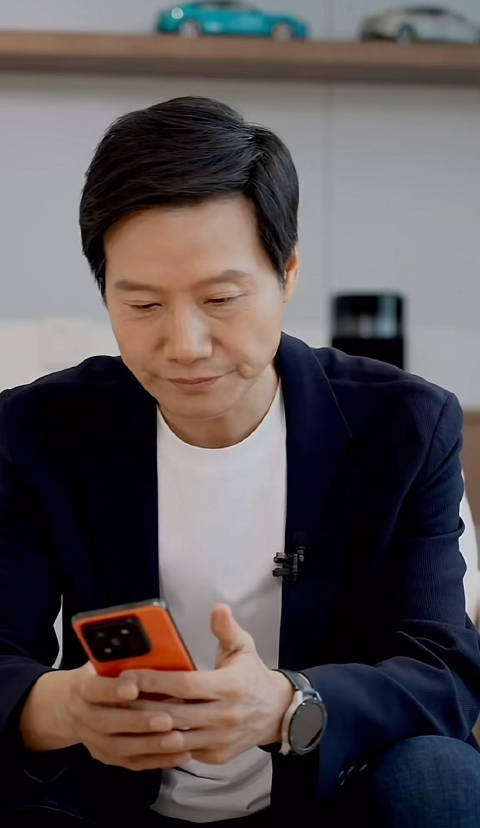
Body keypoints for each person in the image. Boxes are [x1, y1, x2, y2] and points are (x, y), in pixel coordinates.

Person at [1, 96, 479, 828]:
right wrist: (61, 707)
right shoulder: (39, 429)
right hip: (108, 801)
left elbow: (444, 668)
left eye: (221, 298)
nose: (186, 344)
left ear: (287, 274)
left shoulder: (404, 426)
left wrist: (288, 704)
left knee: (440, 781)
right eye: (143, 306)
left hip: (330, 795)